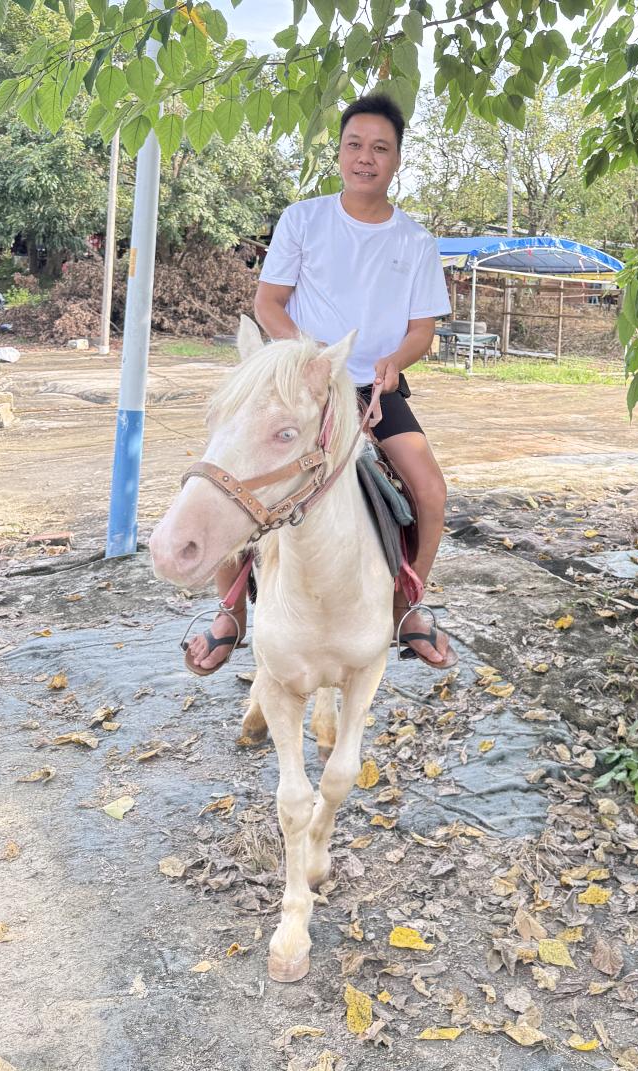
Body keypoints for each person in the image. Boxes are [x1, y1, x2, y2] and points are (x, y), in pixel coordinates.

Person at [184, 93, 456, 673]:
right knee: (233, 473)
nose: (365, 157)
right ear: (339, 153)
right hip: (298, 382)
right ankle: (230, 611)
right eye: (354, 145)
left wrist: (392, 365)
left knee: (429, 491)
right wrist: (307, 364)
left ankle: (407, 606)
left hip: (372, 388)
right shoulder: (302, 219)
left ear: (397, 159)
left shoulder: (416, 240)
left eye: (380, 148)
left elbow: (422, 330)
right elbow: (269, 303)